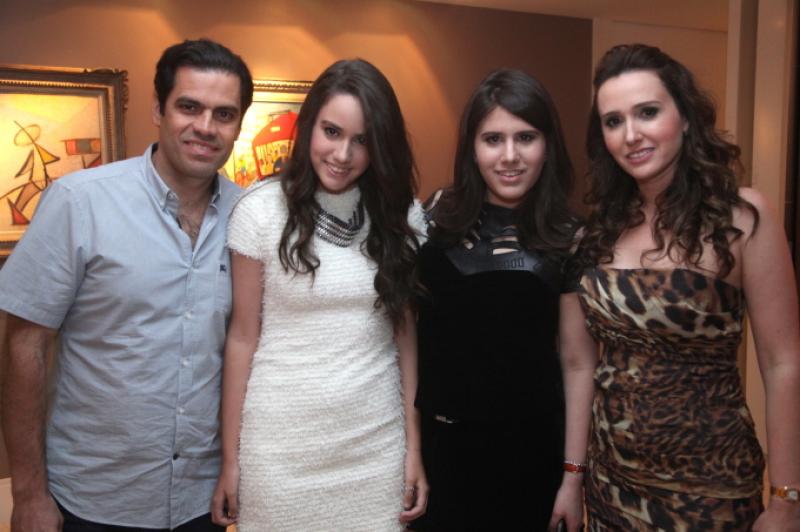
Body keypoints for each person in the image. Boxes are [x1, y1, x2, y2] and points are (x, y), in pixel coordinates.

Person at [0, 39, 253, 530]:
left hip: (201, 501)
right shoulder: (79, 202)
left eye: (224, 114)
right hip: (94, 498)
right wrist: (28, 493)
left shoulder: (251, 217)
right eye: (189, 107)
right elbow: (23, 346)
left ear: (238, 125)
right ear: (158, 110)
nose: (206, 127)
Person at [576, 43, 800, 531]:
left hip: (710, 490)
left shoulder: (743, 218)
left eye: (647, 112)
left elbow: (783, 363)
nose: (630, 135)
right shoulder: (599, 230)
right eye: (613, 121)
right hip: (611, 485)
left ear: (684, 117)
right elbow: (581, 363)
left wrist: (786, 498)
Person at [210, 58, 428, 531]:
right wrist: (231, 460)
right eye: (331, 132)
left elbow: (405, 338)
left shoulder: (402, 217)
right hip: (279, 446)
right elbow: (242, 338)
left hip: (374, 445)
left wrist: (415, 448)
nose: (343, 154)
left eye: (362, 140)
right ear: (309, 125)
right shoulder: (260, 210)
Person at [411, 69, 597, 532]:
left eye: (525, 138)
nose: (510, 156)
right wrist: (410, 452)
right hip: (441, 456)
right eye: (493, 139)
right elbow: (406, 341)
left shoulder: (570, 236)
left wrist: (573, 478)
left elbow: (578, 363)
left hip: (533, 460)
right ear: (472, 149)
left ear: (547, 146)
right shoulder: (432, 219)